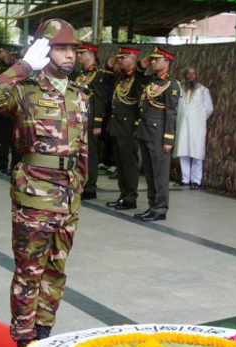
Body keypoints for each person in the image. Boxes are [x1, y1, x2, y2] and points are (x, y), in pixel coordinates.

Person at [0, 19, 89, 347]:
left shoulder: (79, 94)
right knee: (30, 271)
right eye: (60, 47)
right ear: (44, 49)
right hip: (35, 196)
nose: (70, 55)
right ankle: (24, 338)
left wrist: (79, 187)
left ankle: (44, 331)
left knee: (56, 271)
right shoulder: (24, 90)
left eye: (72, 48)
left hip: (68, 196)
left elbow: (82, 149)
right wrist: (24, 66)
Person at [133, 47, 181, 222]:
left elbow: (171, 113)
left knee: (159, 173)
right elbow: (136, 77)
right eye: (151, 59)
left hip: (159, 134)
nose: (152, 62)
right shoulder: (151, 81)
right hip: (146, 132)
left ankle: (160, 208)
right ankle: (152, 205)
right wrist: (142, 64)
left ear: (166, 62)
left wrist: (169, 138)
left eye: (156, 59)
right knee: (149, 172)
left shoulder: (172, 86)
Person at [105, 47, 151, 210]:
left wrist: (137, 126)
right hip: (117, 126)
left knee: (129, 165)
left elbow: (141, 104)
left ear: (133, 59)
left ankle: (130, 198)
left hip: (128, 128)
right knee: (120, 164)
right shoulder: (123, 77)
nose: (120, 61)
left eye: (123, 58)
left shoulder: (138, 78)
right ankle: (123, 195)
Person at [71, 42, 112, 200]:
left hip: (90, 121)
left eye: (82, 53)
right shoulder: (82, 74)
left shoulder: (98, 75)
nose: (79, 56)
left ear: (91, 54)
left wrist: (97, 124)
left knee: (91, 154)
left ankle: (90, 187)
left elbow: (101, 101)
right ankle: (81, 183)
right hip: (79, 119)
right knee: (79, 153)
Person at [174, 66, 213, 189]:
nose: (191, 76)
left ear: (196, 76)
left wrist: (198, 120)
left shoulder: (203, 90)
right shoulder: (179, 89)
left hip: (197, 127)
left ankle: (196, 180)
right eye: (188, 74)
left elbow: (209, 108)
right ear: (185, 75)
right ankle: (185, 179)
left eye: (193, 73)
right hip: (182, 126)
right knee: (183, 152)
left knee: (196, 153)